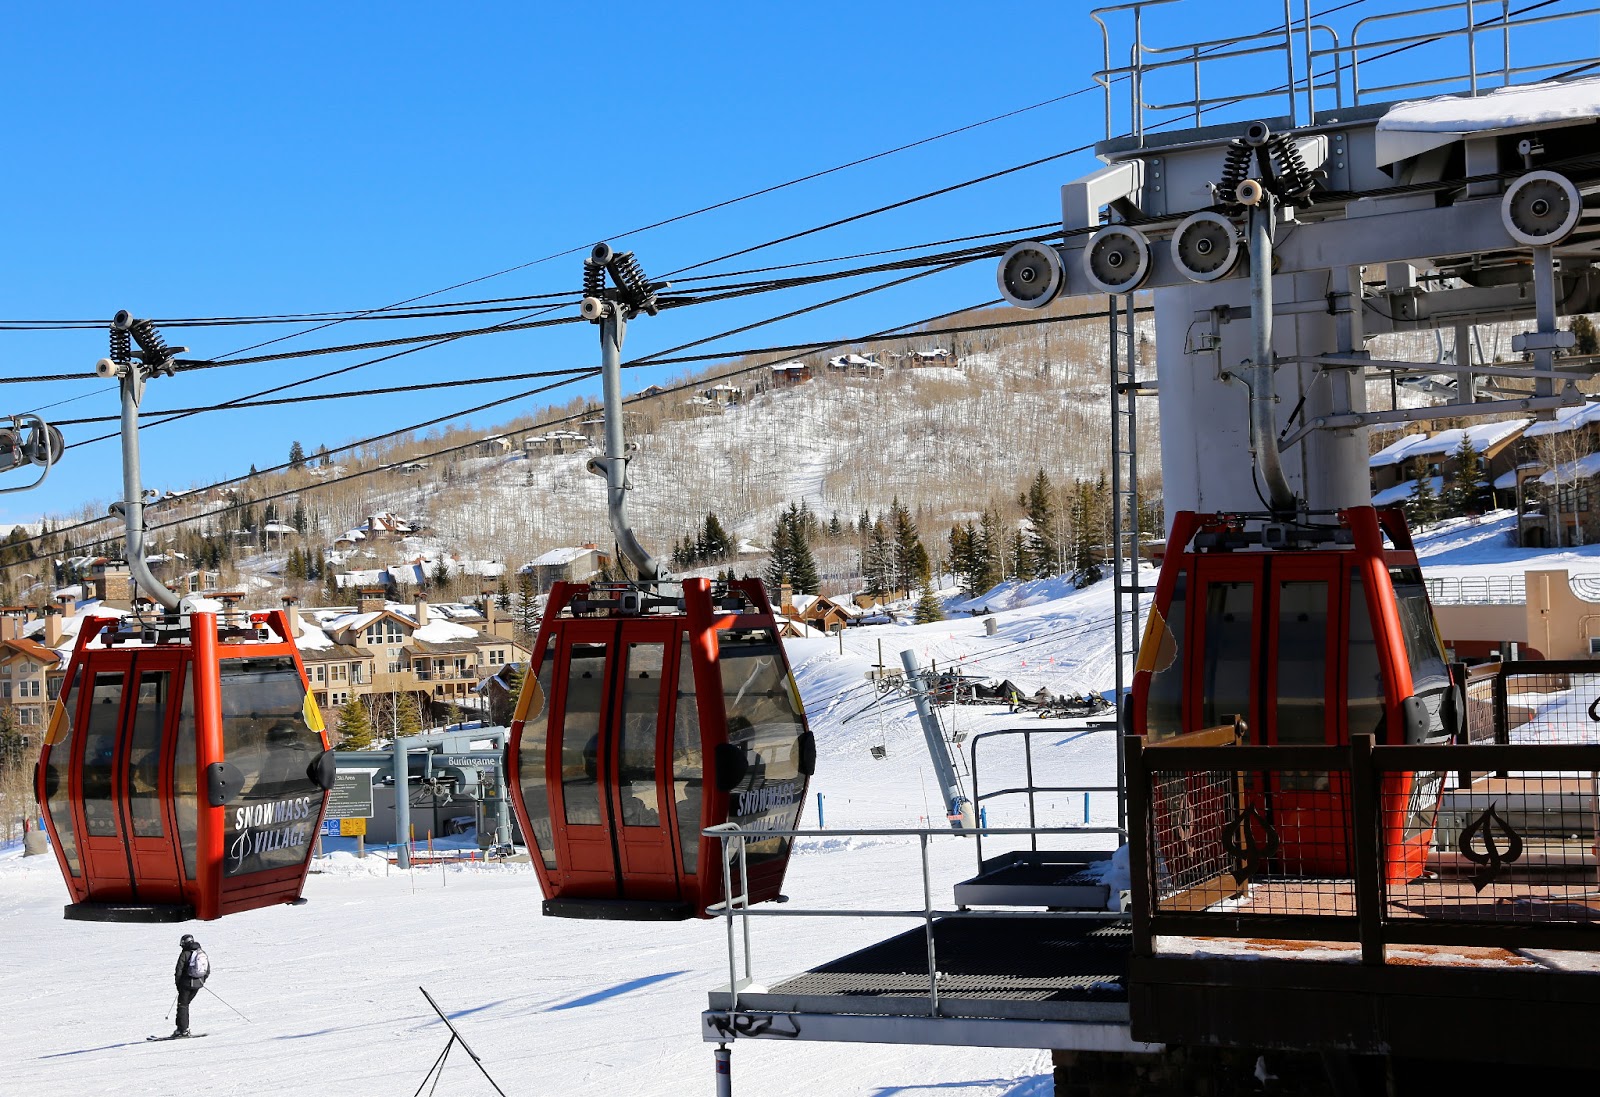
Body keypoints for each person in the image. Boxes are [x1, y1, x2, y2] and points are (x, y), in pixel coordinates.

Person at [171, 934, 210, 1037]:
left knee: (182, 1005)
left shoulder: (185, 953)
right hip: (198, 984)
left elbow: (178, 970)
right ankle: (182, 1028)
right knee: (185, 1004)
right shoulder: (201, 952)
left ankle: (182, 1030)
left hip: (186, 984)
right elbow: (207, 970)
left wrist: (178, 985)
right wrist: (201, 981)